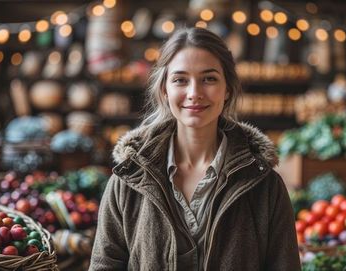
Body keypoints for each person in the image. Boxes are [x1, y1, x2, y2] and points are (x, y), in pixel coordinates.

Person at [89, 27, 301, 271]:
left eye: (209, 79)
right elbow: (104, 265)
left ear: (228, 89)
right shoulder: (128, 180)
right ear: (164, 89)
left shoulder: (264, 185)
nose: (194, 93)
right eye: (180, 80)